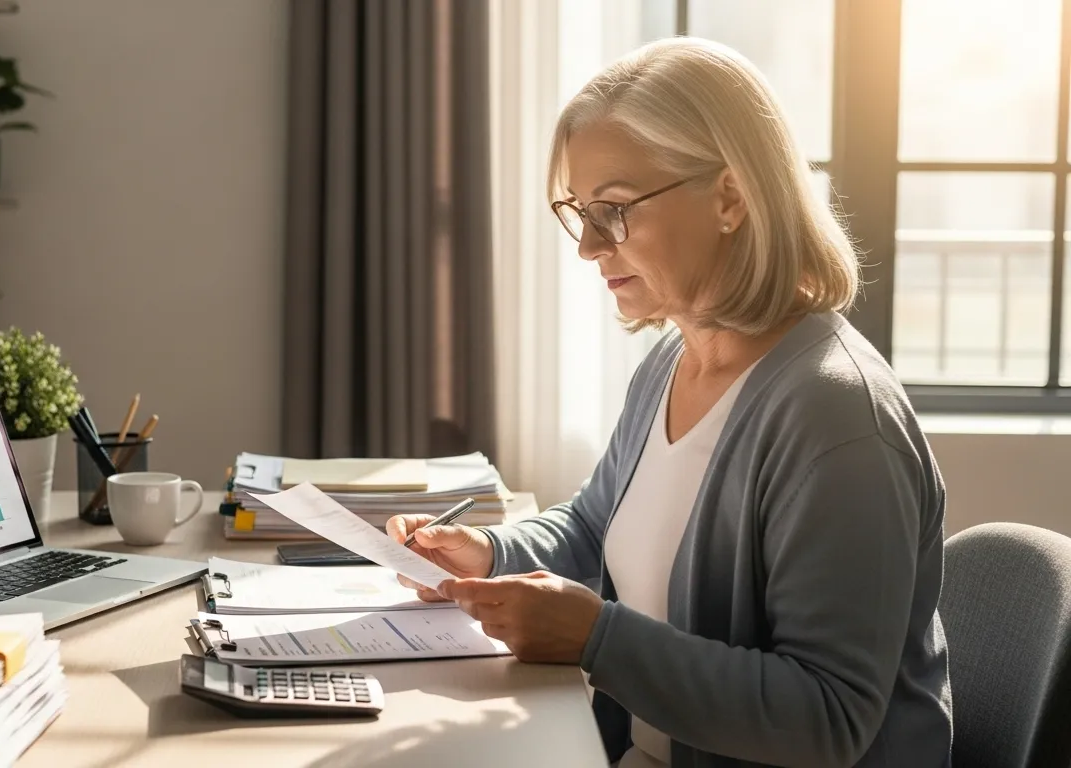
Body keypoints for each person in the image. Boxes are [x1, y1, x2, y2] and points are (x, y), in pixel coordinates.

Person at [387, 38, 953, 768]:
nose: (590, 245)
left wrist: (596, 638)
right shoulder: (673, 359)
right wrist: (489, 554)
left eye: (615, 210)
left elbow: (829, 718)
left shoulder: (837, 420)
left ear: (730, 197)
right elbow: (597, 529)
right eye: (580, 211)